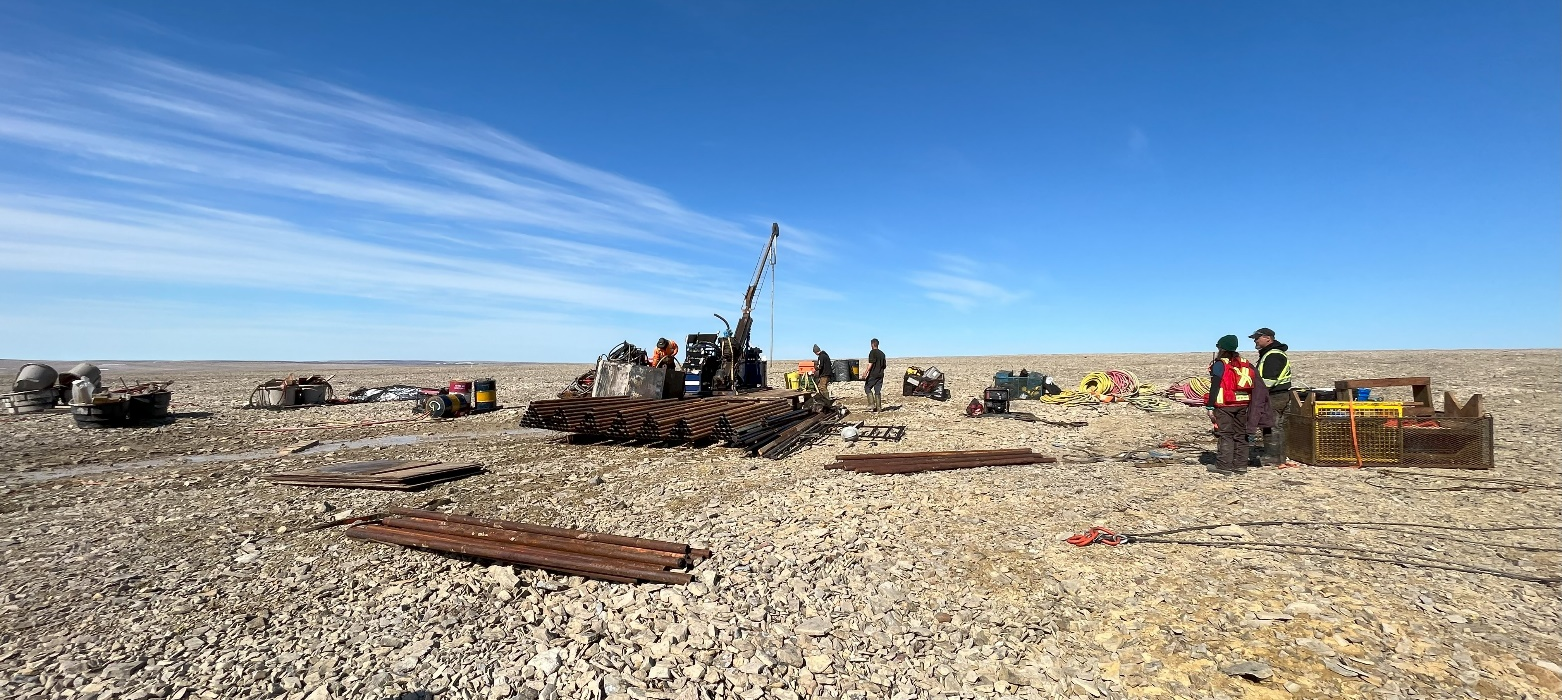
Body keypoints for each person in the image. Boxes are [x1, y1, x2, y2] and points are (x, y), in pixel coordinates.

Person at [1203, 334, 1272, 475]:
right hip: (1243, 404)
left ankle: (1224, 466)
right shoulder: (1245, 363)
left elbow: (1215, 386)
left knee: (1225, 435)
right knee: (1241, 434)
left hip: (1224, 405)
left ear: (1221, 348)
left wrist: (1210, 407)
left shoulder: (1220, 364)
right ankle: (1240, 465)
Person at [1249, 327, 1293, 466]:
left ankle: (1272, 458)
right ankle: (1279, 457)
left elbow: (1268, 380)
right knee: (1277, 426)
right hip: (1280, 395)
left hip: (1274, 396)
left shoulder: (1273, 355)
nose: (1255, 340)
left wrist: (1257, 395)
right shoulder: (1271, 354)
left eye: (1257, 337)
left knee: (1270, 425)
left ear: (1268, 338)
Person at [862, 338, 887, 412]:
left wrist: (865, 372)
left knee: (867, 387)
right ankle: (879, 408)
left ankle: (871, 404)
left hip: (873, 374)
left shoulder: (872, 352)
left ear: (872, 344)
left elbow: (871, 364)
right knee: (877, 390)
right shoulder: (882, 354)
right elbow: (884, 366)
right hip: (880, 375)